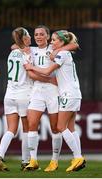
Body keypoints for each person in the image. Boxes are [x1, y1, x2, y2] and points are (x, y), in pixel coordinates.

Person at [24, 30, 86, 172]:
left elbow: (46, 72)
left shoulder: (62, 53)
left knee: (60, 127)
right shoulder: (62, 52)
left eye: (54, 40)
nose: (52, 42)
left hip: (67, 94)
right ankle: (78, 157)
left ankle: (77, 157)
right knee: (70, 128)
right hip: (74, 93)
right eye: (51, 40)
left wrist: (31, 67)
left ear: (62, 42)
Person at [0, 27, 54, 172]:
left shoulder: (12, 52)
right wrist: (49, 80)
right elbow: (31, 73)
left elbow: (15, 46)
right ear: (25, 38)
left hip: (9, 95)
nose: (32, 37)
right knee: (28, 129)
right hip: (24, 94)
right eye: (29, 35)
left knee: (11, 130)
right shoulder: (27, 54)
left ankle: (0, 155)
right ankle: (25, 161)